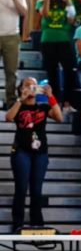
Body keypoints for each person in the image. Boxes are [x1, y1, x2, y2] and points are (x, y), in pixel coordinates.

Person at [6, 77, 62, 232]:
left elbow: (59, 117)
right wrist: (20, 99)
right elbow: (9, 117)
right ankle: (18, 223)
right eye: (27, 85)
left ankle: (37, 222)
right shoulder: (19, 106)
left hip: (40, 153)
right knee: (21, 188)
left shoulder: (43, 107)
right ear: (21, 89)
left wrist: (50, 96)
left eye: (33, 86)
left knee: (37, 190)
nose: (31, 88)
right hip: (21, 152)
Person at [0, 0, 28, 109]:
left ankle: (10, 102)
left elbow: (24, 12)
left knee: (11, 72)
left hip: (11, 36)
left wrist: (14, 0)